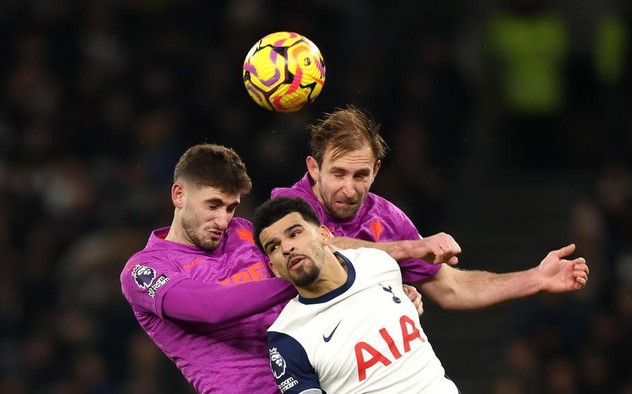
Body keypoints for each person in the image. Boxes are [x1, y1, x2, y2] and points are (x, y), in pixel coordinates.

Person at [119, 143, 428, 394]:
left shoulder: (243, 232)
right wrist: (305, 275)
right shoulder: (145, 269)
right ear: (179, 195)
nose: (223, 220)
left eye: (231, 207)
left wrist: (377, 291)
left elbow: (316, 254)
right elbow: (210, 307)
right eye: (213, 205)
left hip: (326, 377)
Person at [271, 105, 589, 310]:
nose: (350, 188)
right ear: (314, 168)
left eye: (361, 175)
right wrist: (408, 251)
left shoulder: (388, 218)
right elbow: (317, 248)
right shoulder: (287, 205)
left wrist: (535, 278)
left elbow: (452, 288)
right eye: (338, 174)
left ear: (376, 171)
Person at [252, 196, 462, 393]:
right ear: (274, 268)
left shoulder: (378, 263)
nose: (287, 247)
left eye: (295, 233)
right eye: (274, 247)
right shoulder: (287, 337)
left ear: (324, 235)